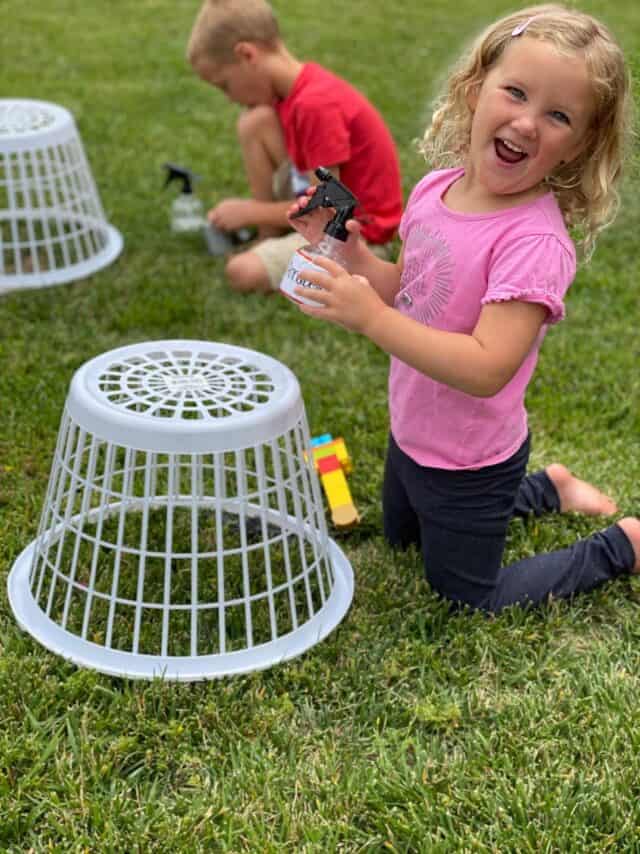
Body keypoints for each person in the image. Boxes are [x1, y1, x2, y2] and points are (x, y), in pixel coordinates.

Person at [287, 4, 638, 613]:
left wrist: (369, 317)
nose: (527, 123)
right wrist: (354, 254)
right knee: (401, 540)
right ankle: (549, 488)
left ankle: (620, 546)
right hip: (413, 429)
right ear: (476, 90)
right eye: (516, 93)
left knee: (467, 593)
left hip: (471, 460)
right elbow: (411, 287)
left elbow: (485, 366)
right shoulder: (436, 189)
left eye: (557, 115)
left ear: (579, 144)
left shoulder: (534, 243)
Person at [186, 0, 403, 294]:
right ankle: (270, 236)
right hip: (325, 214)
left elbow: (327, 210)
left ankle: (273, 240)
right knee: (254, 121)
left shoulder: (316, 104)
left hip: (356, 235)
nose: (230, 97)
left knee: (242, 272)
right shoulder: (292, 95)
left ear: (247, 54)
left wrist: (252, 212)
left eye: (225, 84)